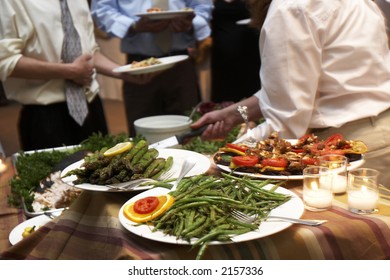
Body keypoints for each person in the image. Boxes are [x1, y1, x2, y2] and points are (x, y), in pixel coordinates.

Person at [191, 0, 390, 187]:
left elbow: (286, 123)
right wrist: (234, 114)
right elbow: (305, 87)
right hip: (380, 136)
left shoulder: (290, 7)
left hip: (349, 151)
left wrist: (223, 158)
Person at [0, 0, 148, 151]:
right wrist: (70, 71)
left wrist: (124, 72)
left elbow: (90, 52)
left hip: (91, 106)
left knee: (103, 170)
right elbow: (5, 61)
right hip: (45, 116)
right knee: (55, 174)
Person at [91, 0, 213, 136]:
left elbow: (202, 6)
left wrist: (191, 24)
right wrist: (132, 26)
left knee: (188, 129)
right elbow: (102, 9)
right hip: (139, 67)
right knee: (142, 134)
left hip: (181, 63)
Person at [211, 0, 261, 103]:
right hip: (221, 58)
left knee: (252, 96)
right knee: (225, 99)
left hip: (251, 54)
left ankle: (247, 119)